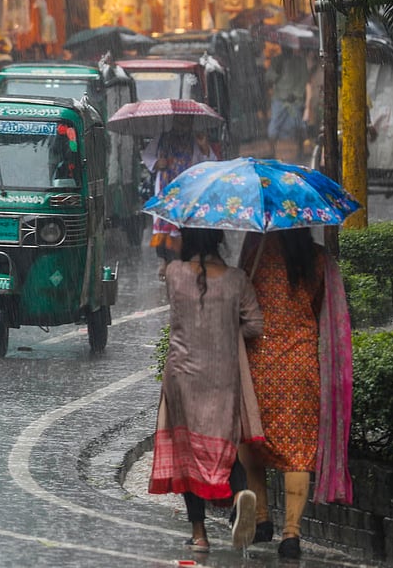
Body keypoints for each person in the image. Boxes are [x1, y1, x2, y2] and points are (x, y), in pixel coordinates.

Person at [149, 227, 263, 553]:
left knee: (188, 450)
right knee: (224, 442)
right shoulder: (237, 279)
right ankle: (240, 494)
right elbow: (255, 325)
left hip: (183, 375)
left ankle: (199, 534)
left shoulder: (173, 274)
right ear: (218, 240)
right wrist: (227, 325)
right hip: (222, 374)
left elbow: (175, 290)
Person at [238, 228, 337, 559]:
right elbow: (319, 306)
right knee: (298, 449)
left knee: (252, 437)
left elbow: (243, 295)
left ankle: (262, 519)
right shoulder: (319, 258)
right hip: (301, 362)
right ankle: (291, 536)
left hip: (259, 359)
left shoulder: (257, 245)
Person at [143, 117, 215, 277]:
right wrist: (156, 162)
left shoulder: (196, 140)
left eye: (187, 122)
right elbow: (147, 156)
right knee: (164, 224)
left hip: (188, 190)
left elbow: (210, 163)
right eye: (181, 122)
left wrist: (204, 147)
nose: (184, 125)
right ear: (174, 122)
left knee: (185, 225)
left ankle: (184, 259)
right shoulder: (161, 137)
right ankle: (165, 261)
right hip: (165, 188)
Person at [265, 44, 310, 160]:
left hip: (295, 100)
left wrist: (295, 94)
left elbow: (304, 78)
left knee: (299, 126)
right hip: (279, 99)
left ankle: (300, 150)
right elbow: (269, 78)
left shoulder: (300, 61)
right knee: (273, 127)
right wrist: (276, 71)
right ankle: (272, 151)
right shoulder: (276, 61)